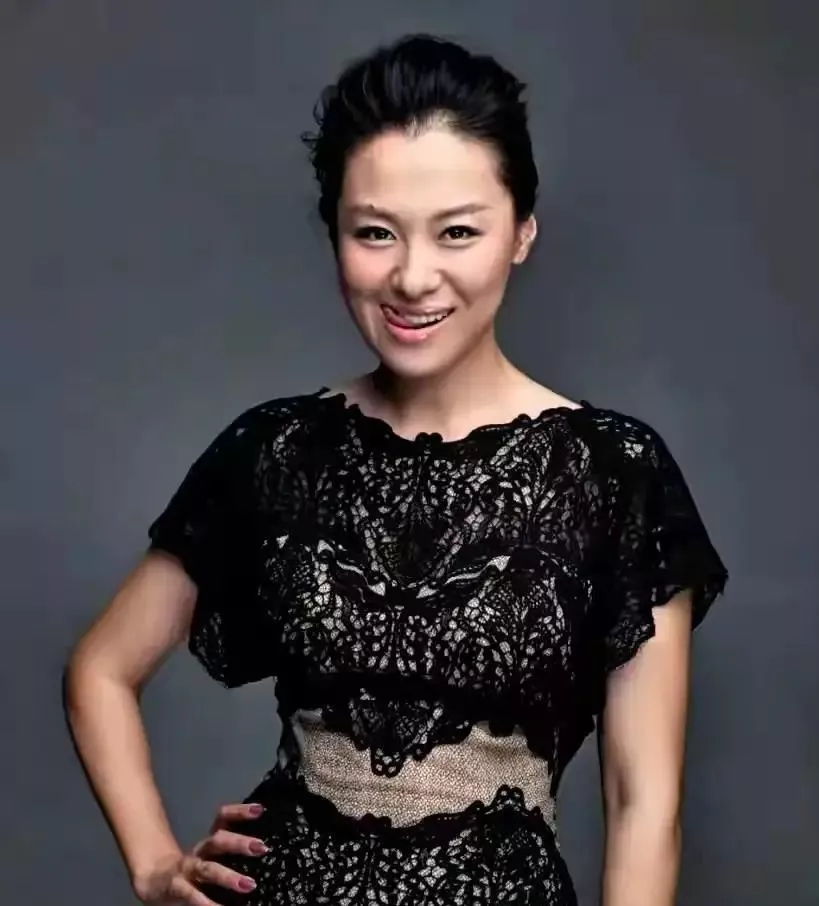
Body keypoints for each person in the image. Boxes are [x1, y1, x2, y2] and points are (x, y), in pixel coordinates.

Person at [63, 33, 728, 906]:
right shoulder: (276, 450)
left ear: (521, 232)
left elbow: (643, 804)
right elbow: (100, 669)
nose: (413, 278)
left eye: (458, 232)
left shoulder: (612, 471)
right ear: (335, 235)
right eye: (374, 233)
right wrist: (154, 863)